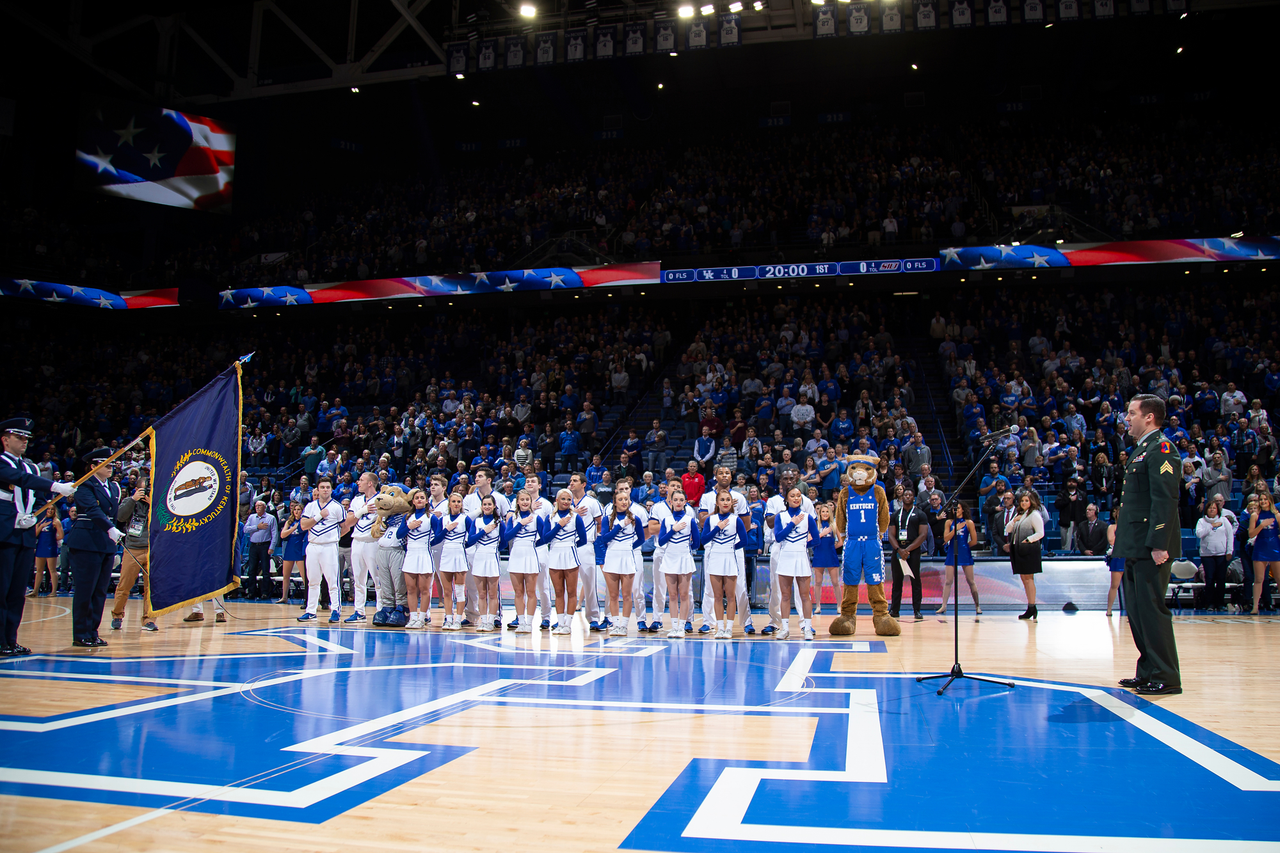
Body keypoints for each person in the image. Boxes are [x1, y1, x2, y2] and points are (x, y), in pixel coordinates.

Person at [1113, 394, 1183, 695]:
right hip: (1134, 543)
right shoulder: (1143, 449)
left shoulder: (1162, 449)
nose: (1127, 419)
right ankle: (1148, 669)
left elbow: (1164, 500)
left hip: (1150, 544)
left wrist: (1158, 542)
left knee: (1152, 609)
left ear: (1149, 417)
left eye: (1131, 413)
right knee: (1138, 611)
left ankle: (1166, 675)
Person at [0, 418, 76, 654]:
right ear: (5, 439)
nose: (24, 442)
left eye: (26, 438)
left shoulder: (31, 466)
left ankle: (10, 639)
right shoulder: (3, 462)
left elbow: (38, 499)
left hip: (24, 534)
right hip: (4, 532)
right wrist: (55, 486)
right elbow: (19, 480)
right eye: (19, 437)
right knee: (1, 590)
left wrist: (36, 514)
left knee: (17, 592)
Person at [65, 447, 122, 647]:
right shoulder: (84, 485)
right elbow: (92, 510)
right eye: (106, 463)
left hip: (105, 542)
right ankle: (81, 633)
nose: (111, 467)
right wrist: (110, 528)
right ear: (93, 466)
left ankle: (93, 632)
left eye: (113, 463)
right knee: (85, 590)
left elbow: (113, 513)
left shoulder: (114, 487)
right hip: (86, 540)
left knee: (99, 591)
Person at [297, 477, 354, 623]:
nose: (325, 490)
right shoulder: (310, 506)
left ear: (331, 489)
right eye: (322, 487)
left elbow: (346, 527)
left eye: (328, 487)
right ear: (317, 489)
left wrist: (334, 537)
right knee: (313, 581)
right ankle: (311, 610)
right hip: (313, 546)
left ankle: (335, 609)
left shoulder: (337, 507)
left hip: (329, 546)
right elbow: (303, 525)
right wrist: (318, 517)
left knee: (332, 580)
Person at [110, 471, 157, 632]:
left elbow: (164, 520)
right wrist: (133, 500)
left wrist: (153, 503)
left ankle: (149, 619)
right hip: (133, 549)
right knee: (125, 585)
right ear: (136, 490)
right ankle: (117, 615)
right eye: (143, 490)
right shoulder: (129, 501)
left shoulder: (157, 503)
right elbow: (120, 517)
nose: (146, 493)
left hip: (152, 549)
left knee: (151, 587)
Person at [538, 488, 588, 635]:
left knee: (571, 591)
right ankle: (560, 622)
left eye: (569, 499)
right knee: (558, 592)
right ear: (557, 500)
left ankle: (568, 624)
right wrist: (559, 525)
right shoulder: (550, 517)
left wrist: (570, 546)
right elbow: (545, 539)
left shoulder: (576, 517)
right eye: (563, 499)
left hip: (570, 554)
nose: (566, 502)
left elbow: (583, 539)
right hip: (554, 554)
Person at [771, 487, 819, 640]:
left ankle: (807, 628)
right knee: (785, 596)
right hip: (785, 557)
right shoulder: (781, 517)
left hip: (801, 557)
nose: (796, 498)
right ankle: (784, 629)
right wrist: (792, 524)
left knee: (805, 596)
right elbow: (778, 537)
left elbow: (816, 540)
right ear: (787, 499)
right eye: (792, 496)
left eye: (798, 496)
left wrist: (803, 546)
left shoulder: (808, 517)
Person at [702, 490, 749, 639]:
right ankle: (719, 628)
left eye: (728, 499)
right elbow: (704, 540)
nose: (725, 502)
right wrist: (718, 527)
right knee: (717, 596)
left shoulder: (736, 520)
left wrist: (731, 548)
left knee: (730, 596)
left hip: (730, 559)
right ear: (717, 503)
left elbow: (745, 540)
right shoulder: (711, 520)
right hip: (715, 558)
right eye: (722, 500)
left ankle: (729, 628)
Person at [600, 489, 647, 636]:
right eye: (620, 499)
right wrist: (619, 526)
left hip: (627, 558)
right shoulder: (607, 519)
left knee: (627, 595)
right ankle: (615, 624)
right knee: (613, 595)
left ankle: (624, 626)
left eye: (626, 499)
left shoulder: (635, 519)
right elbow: (604, 539)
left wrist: (628, 548)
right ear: (614, 503)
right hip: (611, 557)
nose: (624, 502)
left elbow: (641, 539)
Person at [503, 490, 546, 633]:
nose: (525, 502)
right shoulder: (513, 518)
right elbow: (507, 536)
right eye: (522, 500)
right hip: (516, 554)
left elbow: (545, 537)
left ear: (530, 501)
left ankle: (529, 623)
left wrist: (533, 544)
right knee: (518, 592)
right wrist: (520, 524)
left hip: (530, 554)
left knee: (531, 591)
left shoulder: (536, 518)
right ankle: (520, 622)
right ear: (517, 502)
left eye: (527, 499)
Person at [658, 488, 699, 638]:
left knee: (684, 594)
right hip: (669, 558)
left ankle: (682, 626)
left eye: (681, 500)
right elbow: (661, 541)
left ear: (685, 502)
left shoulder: (690, 520)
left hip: (684, 559)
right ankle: (674, 626)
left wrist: (685, 549)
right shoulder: (666, 520)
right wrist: (673, 530)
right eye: (675, 500)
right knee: (672, 595)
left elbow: (696, 543)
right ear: (671, 502)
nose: (678, 502)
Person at [429, 491, 471, 630]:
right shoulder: (443, 519)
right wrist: (447, 529)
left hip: (459, 553)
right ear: (449, 504)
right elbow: (437, 539)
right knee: (447, 591)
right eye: (453, 501)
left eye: (458, 502)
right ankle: (448, 619)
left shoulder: (466, 519)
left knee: (459, 591)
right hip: (446, 554)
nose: (456, 504)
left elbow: (472, 537)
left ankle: (458, 619)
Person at [345, 472, 381, 621]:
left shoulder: (381, 499)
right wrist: (362, 511)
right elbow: (348, 522)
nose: (358, 482)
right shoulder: (357, 500)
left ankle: (380, 611)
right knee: (358, 579)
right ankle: (359, 611)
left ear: (370, 483)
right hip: (357, 541)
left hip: (373, 542)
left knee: (378, 579)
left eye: (361, 480)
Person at [466, 494, 504, 632]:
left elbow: (504, 541)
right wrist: (483, 531)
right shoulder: (476, 522)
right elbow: (470, 541)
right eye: (485, 504)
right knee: (481, 594)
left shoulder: (499, 523)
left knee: (492, 594)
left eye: (489, 504)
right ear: (481, 506)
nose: (487, 507)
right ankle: (483, 620)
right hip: (479, 558)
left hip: (492, 558)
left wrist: (494, 550)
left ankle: (491, 620)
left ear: (494, 506)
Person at [888, 490, 928, 620]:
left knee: (915, 581)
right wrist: (899, 549)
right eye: (906, 495)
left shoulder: (920, 514)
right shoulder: (895, 515)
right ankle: (894, 609)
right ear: (901, 497)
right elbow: (890, 535)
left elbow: (922, 535)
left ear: (914, 498)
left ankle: (917, 610)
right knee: (897, 581)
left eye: (911, 495)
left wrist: (908, 550)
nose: (908, 497)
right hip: (898, 549)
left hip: (913, 549)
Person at [1005, 490, 1044, 619]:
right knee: (1024, 579)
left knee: (1029, 579)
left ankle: (1032, 607)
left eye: (1026, 500)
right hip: (1018, 550)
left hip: (1029, 550)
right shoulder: (1019, 514)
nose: (1024, 503)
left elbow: (1040, 533)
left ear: (1031, 501)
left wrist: (1028, 540)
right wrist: (1014, 520)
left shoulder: (1034, 514)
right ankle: (1030, 605)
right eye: (1022, 500)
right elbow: (1007, 530)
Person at [938, 503, 981, 615]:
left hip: (964, 552)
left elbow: (974, 541)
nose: (956, 510)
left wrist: (965, 547)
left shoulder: (969, 522)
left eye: (958, 508)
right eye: (954, 508)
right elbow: (946, 539)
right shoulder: (949, 522)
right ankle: (944, 605)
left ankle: (977, 606)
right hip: (952, 551)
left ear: (963, 509)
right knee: (948, 581)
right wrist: (955, 529)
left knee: (971, 580)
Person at [1196, 502, 1235, 612]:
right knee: (1209, 579)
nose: (1212, 510)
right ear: (1206, 510)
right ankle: (1210, 603)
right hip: (1207, 555)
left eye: (1214, 508)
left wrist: (1229, 551)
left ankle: (1220, 603)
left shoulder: (1224, 521)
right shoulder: (1201, 522)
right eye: (1210, 508)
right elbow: (1199, 534)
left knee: (1221, 579)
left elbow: (1230, 536)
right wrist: (1211, 526)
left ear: (1218, 510)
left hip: (1221, 554)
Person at [1247, 491, 1280, 616]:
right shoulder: (1255, 515)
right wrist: (1261, 525)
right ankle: (1255, 607)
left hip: (1275, 547)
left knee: (1279, 578)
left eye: (1265, 499)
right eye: (1261, 499)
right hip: (1260, 548)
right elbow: (1251, 534)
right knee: (1259, 579)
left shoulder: (1277, 515)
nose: (1263, 501)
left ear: (1270, 500)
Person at [811, 502, 842, 620]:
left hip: (831, 555)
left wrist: (831, 547)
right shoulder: (816, 525)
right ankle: (818, 606)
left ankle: (839, 605)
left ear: (830, 513)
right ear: (819, 513)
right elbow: (811, 539)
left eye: (827, 511)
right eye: (822, 511)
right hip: (818, 555)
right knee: (818, 582)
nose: (825, 513)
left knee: (835, 582)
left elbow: (841, 541)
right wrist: (822, 534)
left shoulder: (834, 525)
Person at [242, 500, 278, 601]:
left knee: (265, 570)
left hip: (265, 545)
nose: (257, 507)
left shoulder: (271, 518)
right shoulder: (252, 517)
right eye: (256, 505)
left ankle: (265, 593)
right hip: (253, 546)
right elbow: (245, 529)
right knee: (252, 570)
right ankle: (251, 592)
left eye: (260, 506)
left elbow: (274, 534)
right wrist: (257, 527)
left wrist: (272, 547)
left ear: (264, 507)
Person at [32, 506, 62, 598]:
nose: (50, 510)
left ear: (54, 510)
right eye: (48, 509)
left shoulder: (56, 521)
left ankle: (53, 591)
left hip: (50, 547)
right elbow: (35, 534)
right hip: (41, 546)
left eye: (52, 509)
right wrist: (41, 526)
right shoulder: (41, 520)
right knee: (39, 570)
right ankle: (35, 591)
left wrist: (52, 540)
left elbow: (61, 535)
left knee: (52, 570)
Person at [278, 502, 306, 603]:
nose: (296, 511)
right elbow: (282, 535)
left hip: (300, 549)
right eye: (295, 509)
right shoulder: (289, 522)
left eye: (298, 509)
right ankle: (284, 597)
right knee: (285, 575)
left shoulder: (304, 521)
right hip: (290, 548)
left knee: (304, 576)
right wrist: (293, 528)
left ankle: (309, 598)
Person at [1105, 514, 1124, 617]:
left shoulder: (1130, 527)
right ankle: (1109, 609)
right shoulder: (1112, 527)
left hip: (1129, 556)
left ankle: (1133, 612)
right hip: (1118, 556)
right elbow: (1112, 541)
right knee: (1114, 585)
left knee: (1132, 587)